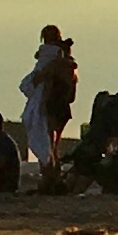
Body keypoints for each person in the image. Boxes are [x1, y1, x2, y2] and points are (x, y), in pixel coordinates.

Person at [19, 25, 76, 185]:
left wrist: (43, 102)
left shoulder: (51, 63)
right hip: (63, 107)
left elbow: (46, 83)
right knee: (53, 146)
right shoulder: (68, 63)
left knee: (48, 145)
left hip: (51, 105)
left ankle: (49, 178)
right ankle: (53, 178)